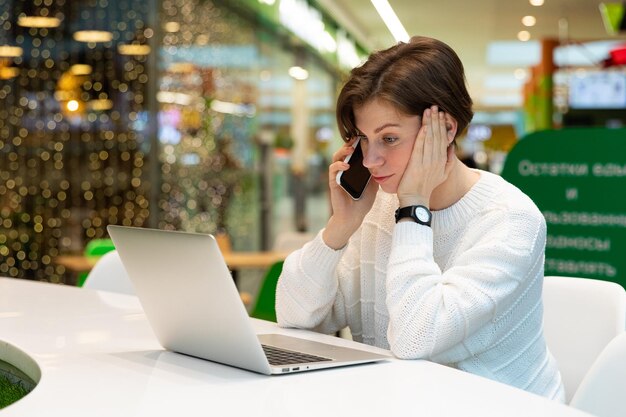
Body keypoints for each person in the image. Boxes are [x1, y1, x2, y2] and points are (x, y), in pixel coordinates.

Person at [275, 36, 565, 401]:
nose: (369, 160)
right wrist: (341, 226)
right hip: (402, 401)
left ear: (445, 130)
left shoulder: (512, 220)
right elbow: (293, 314)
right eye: (363, 139)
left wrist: (413, 206)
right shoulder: (378, 207)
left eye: (390, 139)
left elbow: (417, 338)